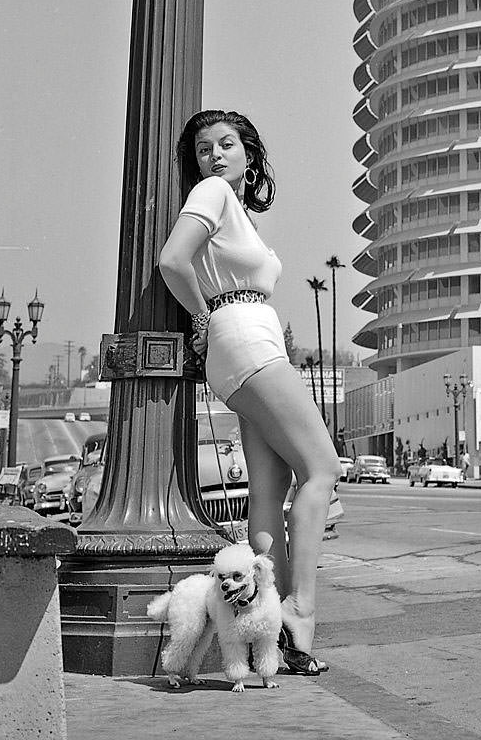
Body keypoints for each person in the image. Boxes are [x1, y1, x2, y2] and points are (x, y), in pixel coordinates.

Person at [159, 109, 340, 676]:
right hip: (243, 339)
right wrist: (203, 317)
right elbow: (172, 259)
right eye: (205, 148)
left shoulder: (234, 209)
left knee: (270, 490)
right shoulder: (212, 192)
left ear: (248, 152)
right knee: (322, 469)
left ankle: (272, 629)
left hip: (245, 347)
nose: (215, 155)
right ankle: (299, 610)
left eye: (227, 144)